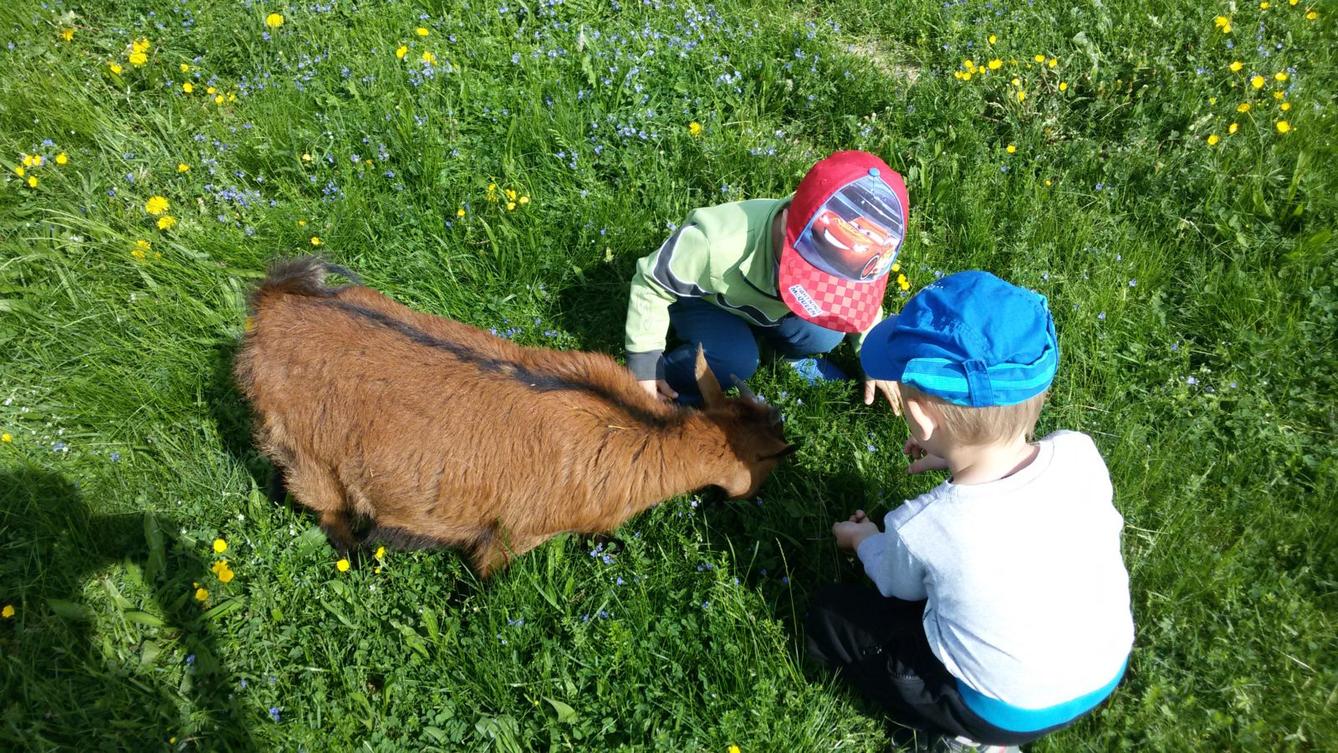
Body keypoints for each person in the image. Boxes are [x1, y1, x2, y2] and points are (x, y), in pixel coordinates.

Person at [806, 271, 1134, 752]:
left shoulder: (924, 525)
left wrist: (864, 541)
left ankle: (962, 738)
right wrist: (954, 453)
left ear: (918, 417)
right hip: (1102, 669)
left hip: (1001, 709)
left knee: (829, 616)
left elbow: (894, 584)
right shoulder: (1080, 452)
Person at [623, 150, 908, 409]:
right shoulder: (717, 244)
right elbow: (652, 282)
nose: (827, 292)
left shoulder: (856, 256)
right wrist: (645, 364)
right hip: (710, 302)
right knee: (736, 361)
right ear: (785, 223)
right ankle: (667, 395)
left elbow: (858, 299)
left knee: (827, 333)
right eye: (815, 274)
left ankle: (783, 356)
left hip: (770, 310)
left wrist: (873, 354)